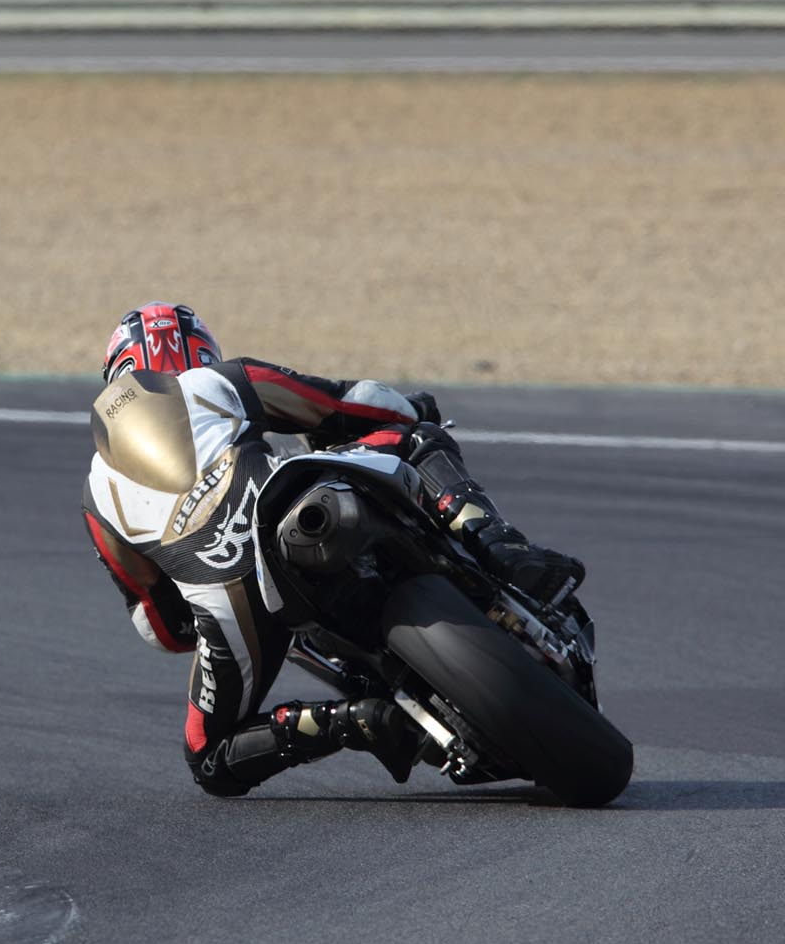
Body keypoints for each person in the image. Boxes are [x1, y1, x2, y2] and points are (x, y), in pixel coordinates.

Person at [82, 302, 584, 797]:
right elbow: (351, 402)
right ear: (202, 353)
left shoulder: (96, 497)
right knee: (415, 436)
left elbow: (160, 628)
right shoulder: (217, 381)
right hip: (290, 499)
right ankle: (503, 550)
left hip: (229, 601)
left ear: (117, 371)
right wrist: (415, 409)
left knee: (207, 756)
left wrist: (193, 595)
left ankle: (347, 722)